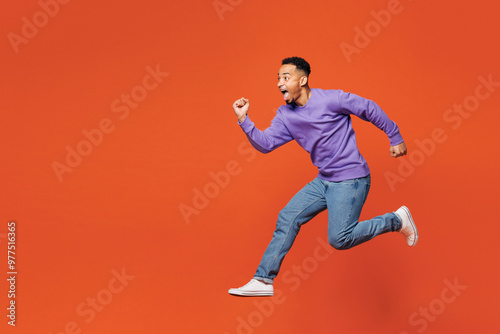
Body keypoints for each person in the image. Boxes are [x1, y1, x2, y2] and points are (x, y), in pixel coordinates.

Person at [228, 57, 418, 297]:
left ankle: (396, 220)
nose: (279, 83)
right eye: (278, 78)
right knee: (288, 216)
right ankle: (263, 280)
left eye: (286, 77)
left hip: (351, 180)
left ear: (303, 80)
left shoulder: (332, 99)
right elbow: (266, 144)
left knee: (339, 239)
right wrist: (244, 119)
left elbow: (367, 108)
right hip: (324, 181)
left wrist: (395, 136)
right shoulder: (286, 115)